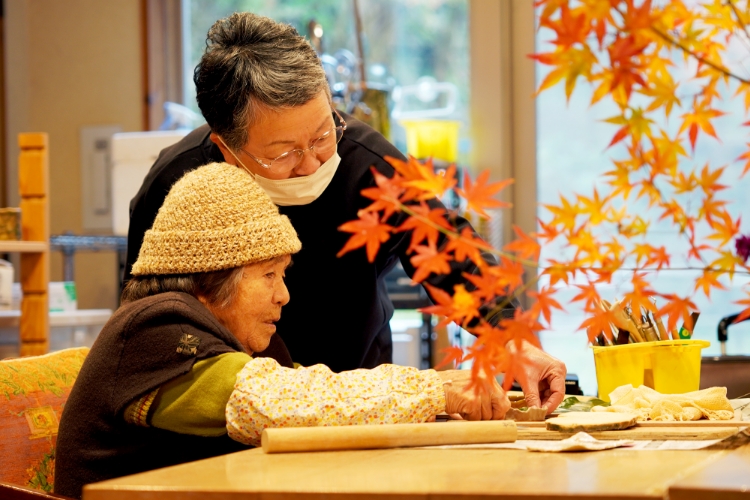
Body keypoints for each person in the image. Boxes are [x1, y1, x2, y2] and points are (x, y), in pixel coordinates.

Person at [125, 12, 566, 412]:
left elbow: (447, 250)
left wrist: (511, 339)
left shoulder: (367, 165)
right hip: (231, 402)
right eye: (285, 152)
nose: (314, 161)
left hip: (364, 392)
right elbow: (153, 332)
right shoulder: (176, 190)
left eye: (322, 134)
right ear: (226, 148)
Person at [55, 163, 511, 499]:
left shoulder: (230, 336)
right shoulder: (153, 326)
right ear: (214, 278)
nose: (284, 296)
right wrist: (435, 389)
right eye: (270, 275)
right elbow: (279, 404)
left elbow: (315, 410)